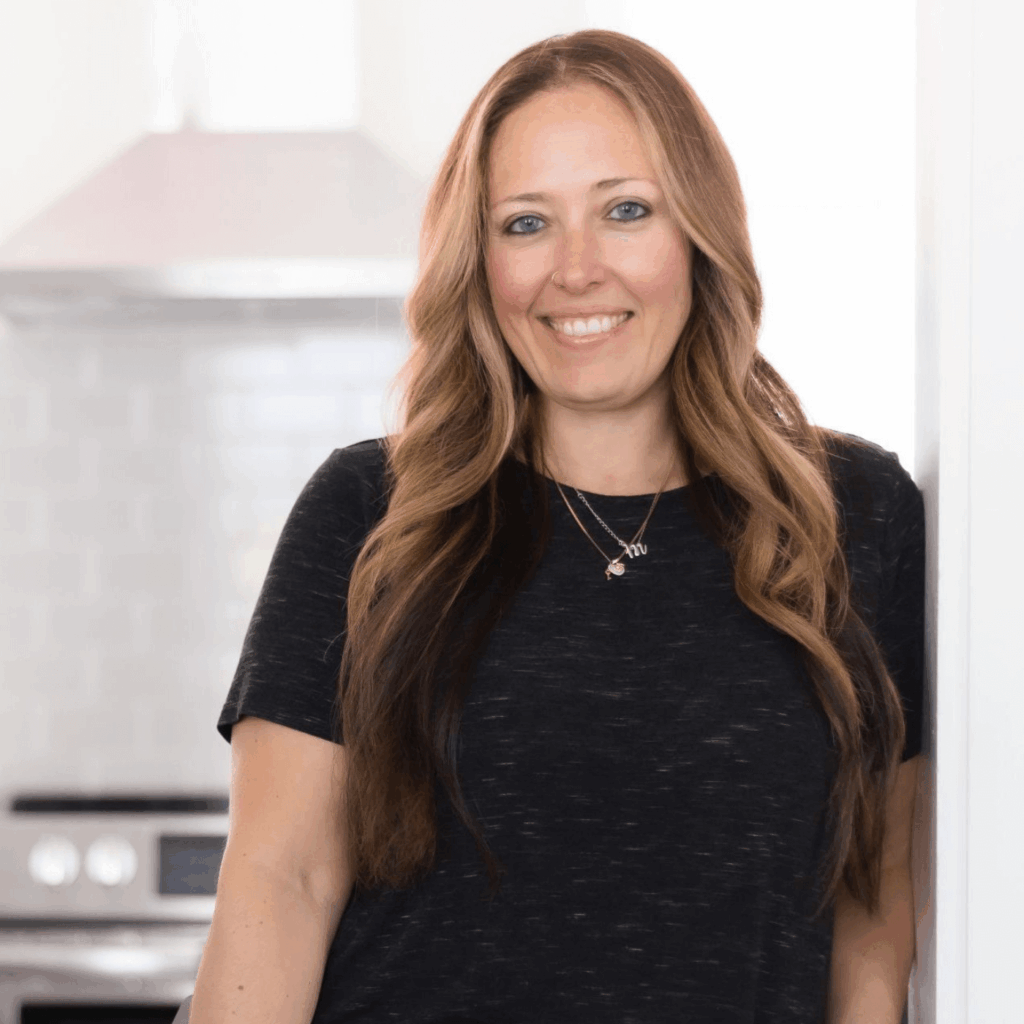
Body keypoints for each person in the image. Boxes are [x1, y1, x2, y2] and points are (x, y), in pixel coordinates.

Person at [187, 28, 925, 1024]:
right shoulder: (369, 512)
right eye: (526, 223)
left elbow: (875, 902)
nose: (576, 270)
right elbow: (281, 883)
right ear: (479, 259)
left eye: (625, 210)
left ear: (698, 232)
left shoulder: (853, 517)